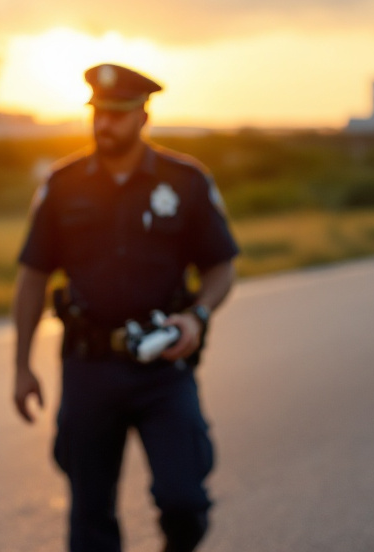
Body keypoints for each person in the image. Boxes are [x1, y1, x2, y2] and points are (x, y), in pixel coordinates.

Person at [12, 63, 239, 552]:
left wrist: (197, 316)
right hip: (89, 368)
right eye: (98, 113)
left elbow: (222, 267)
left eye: (117, 114)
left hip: (165, 368)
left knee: (184, 502)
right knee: (90, 517)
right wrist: (21, 367)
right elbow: (32, 278)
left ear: (143, 116)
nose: (105, 124)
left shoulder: (186, 182)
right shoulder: (62, 185)